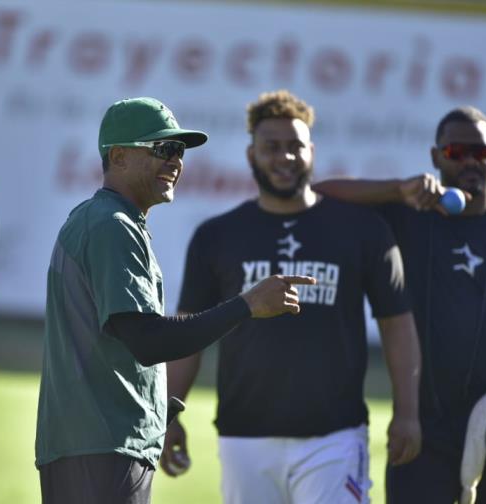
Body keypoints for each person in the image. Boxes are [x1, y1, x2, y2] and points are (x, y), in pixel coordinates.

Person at [34, 96, 318, 504]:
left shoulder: (107, 220)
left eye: (179, 151)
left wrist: (153, 404)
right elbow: (148, 340)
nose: (176, 162)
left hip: (95, 443)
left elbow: (124, 340)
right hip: (101, 447)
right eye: (163, 149)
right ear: (118, 156)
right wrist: (247, 305)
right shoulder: (111, 225)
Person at [161, 90, 422, 504]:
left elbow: (397, 324)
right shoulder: (216, 235)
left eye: (295, 146)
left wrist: (407, 411)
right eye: (271, 147)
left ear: (312, 151)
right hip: (243, 436)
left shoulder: (363, 229)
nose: (284, 157)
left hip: (335, 436)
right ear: (251, 154)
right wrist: (169, 414)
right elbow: (189, 333)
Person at [314, 106, 486, 503]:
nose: (471, 161)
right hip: (421, 429)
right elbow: (319, 195)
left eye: (482, 152)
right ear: (436, 157)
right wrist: (397, 188)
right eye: (457, 152)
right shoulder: (406, 215)